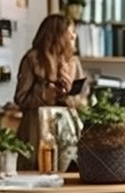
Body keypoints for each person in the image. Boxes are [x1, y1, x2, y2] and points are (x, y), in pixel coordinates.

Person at [13, 13, 88, 170]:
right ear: (58, 36)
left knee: (67, 173)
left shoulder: (74, 62)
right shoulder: (32, 59)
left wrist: (67, 94)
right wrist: (44, 95)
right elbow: (20, 98)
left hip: (66, 131)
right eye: (70, 33)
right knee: (33, 175)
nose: (74, 36)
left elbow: (82, 102)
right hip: (36, 129)